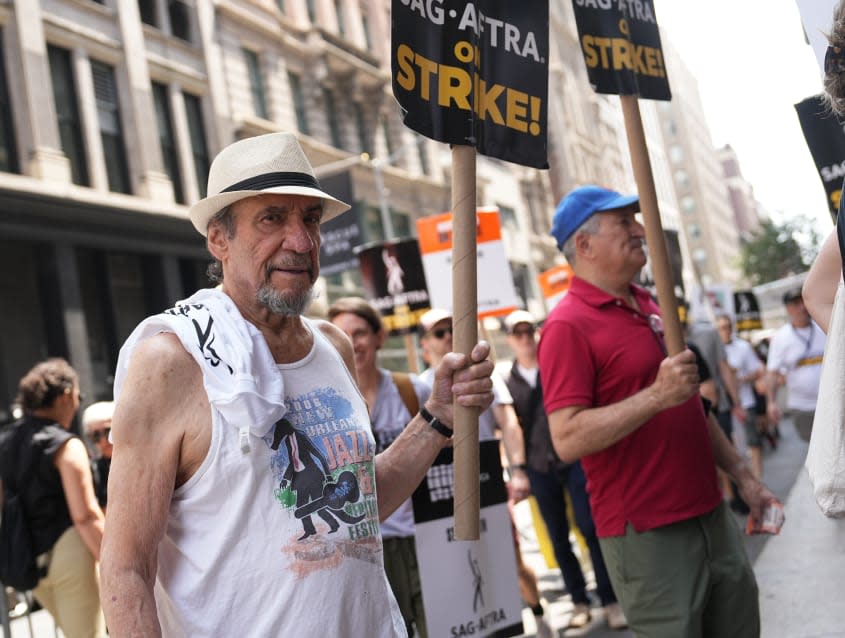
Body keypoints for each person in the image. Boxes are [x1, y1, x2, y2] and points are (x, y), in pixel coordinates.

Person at [98, 132, 494, 637]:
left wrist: (436, 415)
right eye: (272, 218)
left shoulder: (333, 346)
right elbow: (126, 569)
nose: (302, 241)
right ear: (219, 239)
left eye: (310, 219)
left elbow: (358, 502)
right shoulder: (172, 364)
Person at [538, 184, 780, 637]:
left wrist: (744, 478)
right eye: (624, 222)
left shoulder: (651, 304)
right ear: (584, 244)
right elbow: (566, 438)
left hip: (711, 514)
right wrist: (655, 396)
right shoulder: (566, 326)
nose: (640, 229)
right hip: (648, 535)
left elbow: (692, 405)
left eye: (636, 218)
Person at [417, 308, 552, 636]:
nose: (448, 336)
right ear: (424, 346)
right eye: (438, 333)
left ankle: (540, 616)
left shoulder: (480, 377)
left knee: (510, 561)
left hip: (487, 482)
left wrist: (517, 471)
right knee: (458, 571)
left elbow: (508, 423)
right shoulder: (419, 388)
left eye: (452, 328)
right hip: (441, 495)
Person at [500, 309, 627, 631]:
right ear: (509, 340)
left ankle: (610, 599)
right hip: (538, 466)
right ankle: (579, 600)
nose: (526, 338)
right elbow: (508, 428)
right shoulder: (506, 380)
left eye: (530, 330)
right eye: (519, 333)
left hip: (574, 458)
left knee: (590, 527)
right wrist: (518, 469)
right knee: (558, 537)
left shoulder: (555, 366)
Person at [328, 296, 431, 638]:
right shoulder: (329, 404)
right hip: (371, 546)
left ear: (378, 337)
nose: (353, 343)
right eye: (343, 335)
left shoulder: (412, 390)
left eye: (360, 333)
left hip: (425, 534)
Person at [0, 358, 106, 638]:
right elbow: (85, 515)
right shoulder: (67, 446)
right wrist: (115, 562)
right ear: (66, 394)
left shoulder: (5, 444)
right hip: (70, 553)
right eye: (78, 396)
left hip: (30, 562)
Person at [765, 289, 825, 443]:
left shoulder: (823, 326)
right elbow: (772, 372)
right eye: (796, 303)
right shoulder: (781, 337)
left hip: (832, 401)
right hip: (802, 407)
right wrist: (771, 402)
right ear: (787, 308)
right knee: (816, 450)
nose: (802, 307)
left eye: (803, 301)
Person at [717, 315, 766, 479]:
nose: (726, 330)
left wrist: (740, 379)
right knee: (733, 446)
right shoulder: (714, 350)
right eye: (722, 327)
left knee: (753, 441)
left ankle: (758, 478)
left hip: (746, 401)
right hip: (725, 405)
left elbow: (758, 370)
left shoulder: (742, 347)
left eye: (728, 326)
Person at [81, 401, 114, 509]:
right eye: (96, 435)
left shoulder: (139, 462)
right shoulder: (91, 470)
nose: (104, 440)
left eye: (108, 431)